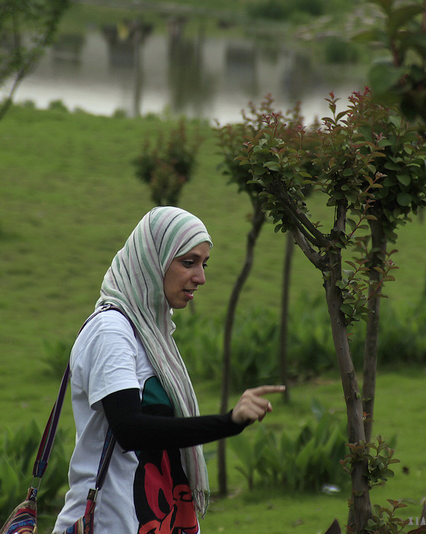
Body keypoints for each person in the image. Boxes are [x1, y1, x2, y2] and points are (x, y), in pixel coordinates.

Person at [53, 206, 284, 534]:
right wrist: (228, 423)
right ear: (151, 260)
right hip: (112, 522)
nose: (201, 277)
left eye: (204, 264)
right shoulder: (111, 330)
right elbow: (130, 429)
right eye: (188, 262)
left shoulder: (153, 335)